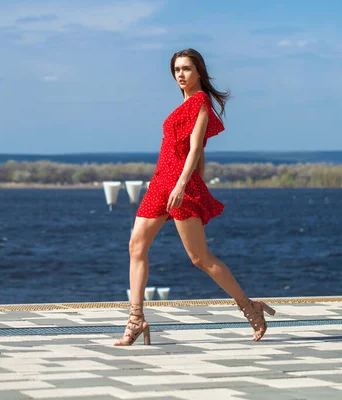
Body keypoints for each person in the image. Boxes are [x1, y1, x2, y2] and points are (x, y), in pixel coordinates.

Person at [114, 48, 275, 346]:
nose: (180, 74)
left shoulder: (200, 102)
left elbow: (195, 148)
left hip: (178, 185)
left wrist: (184, 184)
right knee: (136, 245)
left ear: (199, 71)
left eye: (186, 68)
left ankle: (250, 307)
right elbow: (199, 153)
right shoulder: (184, 103)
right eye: (176, 70)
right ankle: (136, 319)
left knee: (200, 258)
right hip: (160, 182)